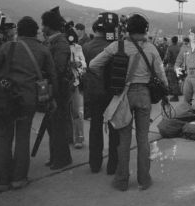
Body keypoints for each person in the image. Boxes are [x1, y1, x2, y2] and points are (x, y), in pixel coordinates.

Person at [89, 13, 168, 191]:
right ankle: (144, 180)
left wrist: (110, 78)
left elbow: (93, 65)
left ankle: (122, 180)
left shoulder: (117, 46)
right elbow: (162, 76)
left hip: (123, 95)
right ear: (145, 30)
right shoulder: (152, 48)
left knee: (123, 140)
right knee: (142, 139)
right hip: (144, 95)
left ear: (127, 29)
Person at [0, 17, 58, 189]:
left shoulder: (8, 46)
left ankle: (2, 180)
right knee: (23, 137)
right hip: (29, 99)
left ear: (19, 31)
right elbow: (53, 76)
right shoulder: (43, 49)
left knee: (4, 137)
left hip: (6, 99)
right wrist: (52, 97)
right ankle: (19, 178)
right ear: (35, 32)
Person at [82, 17, 120, 174]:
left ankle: (94, 164)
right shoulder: (114, 47)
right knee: (114, 129)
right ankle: (112, 166)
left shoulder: (85, 47)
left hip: (93, 93)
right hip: (111, 93)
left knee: (95, 128)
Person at [41, 7, 73, 170]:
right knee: (52, 125)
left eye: (43, 25)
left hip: (58, 89)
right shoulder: (53, 41)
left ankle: (61, 158)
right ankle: (57, 156)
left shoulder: (60, 43)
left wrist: (52, 91)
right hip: (53, 88)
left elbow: (58, 69)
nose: (41, 28)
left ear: (49, 26)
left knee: (57, 125)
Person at [66, 27, 87, 149]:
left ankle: (79, 139)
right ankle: (69, 137)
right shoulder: (61, 47)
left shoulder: (78, 48)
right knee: (66, 113)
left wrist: (78, 64)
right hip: (66, 82)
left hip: (75, 82)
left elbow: (84, 63)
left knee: (77, 112)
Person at [163, 36, 181, 101]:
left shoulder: (170, 48)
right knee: (177, 80)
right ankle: (178, 92)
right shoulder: (179, 48)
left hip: (172, 66)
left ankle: (175, 96)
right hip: (179, 66)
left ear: (172, 41)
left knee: (172, 81)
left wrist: (164, 63)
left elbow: (167, 58)